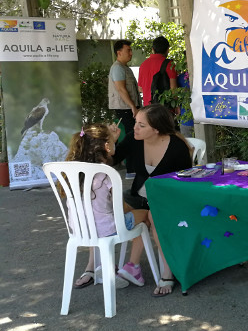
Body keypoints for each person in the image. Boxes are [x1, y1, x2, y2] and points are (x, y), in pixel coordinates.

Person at [111, 103, 193, 297]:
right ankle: (112, 267)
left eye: (141, 125)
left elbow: (184, 182)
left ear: (156, 130)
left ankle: (166, 273)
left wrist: (160, 203)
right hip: (139, 197)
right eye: (136, 122)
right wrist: (112, 143)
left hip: (169, 199)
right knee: (107, 214)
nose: (134, 128)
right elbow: (111, 161)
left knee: (154, 217)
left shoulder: (177, 147)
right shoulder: (134, 139)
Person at [64, 124, 149, 289]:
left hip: (81, 229)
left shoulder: (73, 172)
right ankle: (133, 267)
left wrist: (111, 141)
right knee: (145, 216)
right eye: (111, 141)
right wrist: (132, 212)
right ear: (106, 146)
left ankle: (101, 266)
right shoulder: (106, 175)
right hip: (107, 229)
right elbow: (119, 207)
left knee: (101, 218)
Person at [108, 39, 141, 179]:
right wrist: (133, 106)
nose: (131, 53)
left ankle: (134, 168)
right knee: (132, 137)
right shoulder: (117, 68)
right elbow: (121, 89)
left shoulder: (125, 67)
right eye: (128, 50)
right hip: (125, 108)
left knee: (135, 136)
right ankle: (131, 169)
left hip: (130, 108)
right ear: (119, 52)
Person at [138, 35, 177, 107]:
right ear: (168, 49)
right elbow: (173, 90)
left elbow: (140, 88)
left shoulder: (143, 65)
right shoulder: (169, 64)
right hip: (164, 108)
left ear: (153, 49)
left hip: (147, 108)